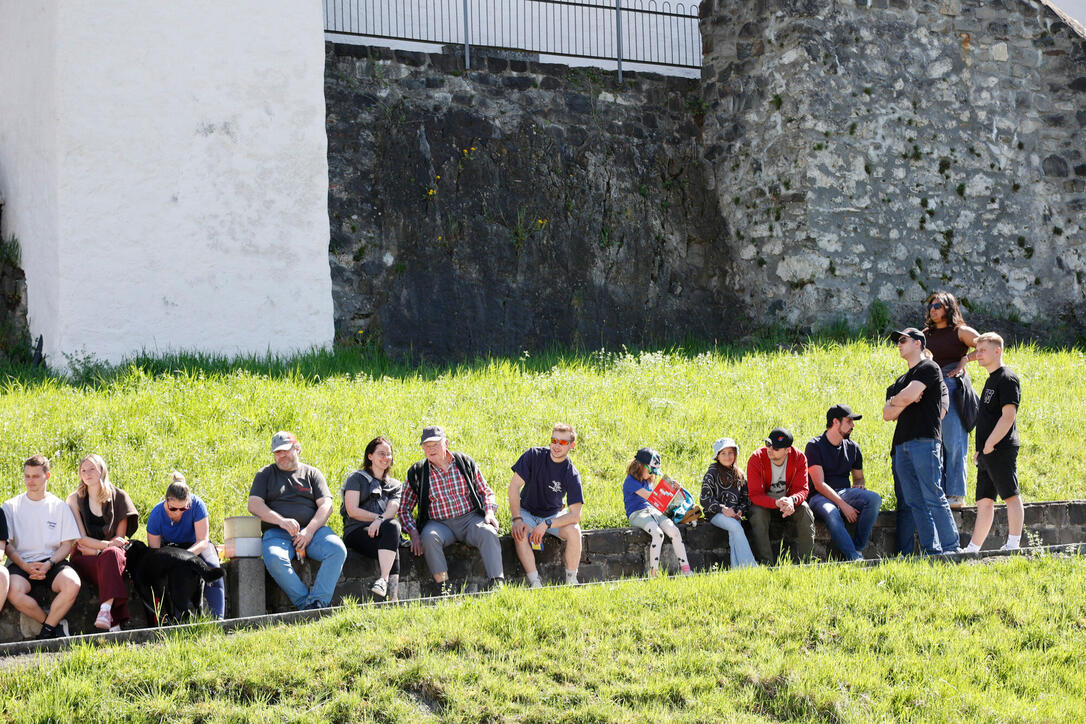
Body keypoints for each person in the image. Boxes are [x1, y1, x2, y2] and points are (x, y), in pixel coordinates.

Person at [248, 431, 347, 610]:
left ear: (298, 449)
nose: (282, 455)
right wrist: (281, 521)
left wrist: (308, 531)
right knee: (275, 558)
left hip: (314, 531)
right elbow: (254, 505)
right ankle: (306, 604)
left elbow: (327, 505)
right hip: (278, 533)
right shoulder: (265, 474)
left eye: (286, 450)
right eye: (277, 452)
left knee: (337, 550)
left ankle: (318, 601)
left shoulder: (312, 473)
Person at [883, 328, 961, 555]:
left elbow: (902, 401)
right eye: (897, 341)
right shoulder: (900, 380)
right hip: (901, 445)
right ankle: (932, 550)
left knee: (933, 496)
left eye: (903, 340)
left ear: (918, 343)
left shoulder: (929, 367)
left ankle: (951, 548)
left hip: (925, 441)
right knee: (915, 502)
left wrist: (900, 401)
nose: (898, 344)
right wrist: (905, 398)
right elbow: (887, 414)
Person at [399, 426, 504, 594]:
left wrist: (490, 512)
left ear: (446, 443)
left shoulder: (464, 462)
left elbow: (486, 491)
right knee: (429, 537)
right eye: (427, 446)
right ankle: (444, 588)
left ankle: (497, 583)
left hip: (470, 519)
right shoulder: (417, 472)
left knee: (488, 531)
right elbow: (403, 508)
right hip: (439, 524)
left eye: (435, 444)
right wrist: (413, 533)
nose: (431, 449)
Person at [3, 454, 82, 639]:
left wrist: (50, 564)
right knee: (13, 592)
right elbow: (8, 546)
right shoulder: (11, 506)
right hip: (21, 563)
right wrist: (24, 565)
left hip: (53, 561)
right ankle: (52, 626)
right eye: (27, 476)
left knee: (73, 583)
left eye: (36, 476)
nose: (30, 481)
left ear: (47, 476)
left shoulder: (59, 506)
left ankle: (46, 632)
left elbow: (66, 546)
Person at [963, 333, 1024, 552]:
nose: (977, 355)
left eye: (982, 351)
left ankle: (1013, 544)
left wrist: (990, 444)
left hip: (1001, 447)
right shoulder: (991, 379)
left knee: (1010, 495)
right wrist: (981, 449)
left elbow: (1008, 416)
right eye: (976, 350)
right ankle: (973, 548)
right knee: (984, 501)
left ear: (997, 351)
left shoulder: (1007, 377)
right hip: (987, 450)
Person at [66, 454, 139, 631]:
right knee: (109, 558)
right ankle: (115, 622)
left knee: (111, 556)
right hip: (84, 557)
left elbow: (119, 541)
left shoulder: (119, 496)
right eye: (83, 470)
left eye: (92, 469)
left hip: (110, 555)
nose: (87, 473)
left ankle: (105, 611)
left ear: (102, 470)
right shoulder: (74, 499)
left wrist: (99, 550)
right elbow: (80, 538)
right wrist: (104, 547)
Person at [923, 291, 981, 508]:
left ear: (948, 307)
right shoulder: (925, 334)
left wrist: (965, 360)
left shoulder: (960, 332)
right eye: (931, 305)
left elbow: (987, 345)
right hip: (930, 390)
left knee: (954, 442)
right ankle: (939, 493)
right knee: (933, 444)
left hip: (953, 389)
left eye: (938, 305)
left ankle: (956, 494)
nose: (933, 309)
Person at [509, 423, 584, 588]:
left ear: (572, 445)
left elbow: (575, 515)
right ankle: (535, 582)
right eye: (554, 440)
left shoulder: (571, 473)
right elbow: (514, 487)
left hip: (551, 515)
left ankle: (571, 580)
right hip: (526, 511)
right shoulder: (533, 455)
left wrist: (547, 523)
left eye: (563, 442)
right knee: (520, 532)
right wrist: (517, 519)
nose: (557, 446)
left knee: (574, 530)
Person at [805, 405, 883, 561]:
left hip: (844, 492)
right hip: (819, 496)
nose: (852, 426)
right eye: (849, 421)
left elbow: (858, 477)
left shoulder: (853, 447)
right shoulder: (814, 446)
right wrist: (844, 506)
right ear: (835, 422)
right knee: (833, 513)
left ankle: (859, 549)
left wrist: (859, 484)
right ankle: (853, 558)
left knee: (874, 499)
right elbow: (819, 484)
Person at [145, 471, 225, 619]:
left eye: (184, 509)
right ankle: (177, 619)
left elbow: (203, 541)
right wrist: (176, 560)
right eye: (173, 508)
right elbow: (155, 552)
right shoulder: (156, 515)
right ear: (166, 501)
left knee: (212, 566)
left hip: (197, 545)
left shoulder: (198, 505)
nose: (178, 513)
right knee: (171, 574)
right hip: (171, 548)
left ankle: (218, 619)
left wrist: (185, 557)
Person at [341, 436, 402, 601]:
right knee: (392, 544)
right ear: (370, 456)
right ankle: (393, 597)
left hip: (381, 530)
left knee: (393, 528)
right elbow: (352, 510)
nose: (386, 458)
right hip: (356, 530)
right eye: (381, 453)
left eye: (388, 454)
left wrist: (380, 520)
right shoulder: (356, 478)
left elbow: (393, 508)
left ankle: (384, 581)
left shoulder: (394, 484)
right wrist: (378, 518)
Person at [746, 428, 814, 564]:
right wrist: (776, 503)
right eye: (768, 444)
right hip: (764, 504)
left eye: (776, 448)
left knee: (805, 511)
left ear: (787, 449)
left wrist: (791, 500)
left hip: (788, 503)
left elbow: (802, 489)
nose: (770, 449)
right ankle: (767, 564)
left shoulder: (799, 458)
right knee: (758, 515)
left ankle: (806, 563)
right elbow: (755, 495)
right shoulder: (756, 458)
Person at [622, 447, 692, 577]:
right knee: (658, 534)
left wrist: (675, 489)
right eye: (650, 471)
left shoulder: (648, 479)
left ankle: (686, 569)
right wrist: (668, 489)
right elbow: (652, 497)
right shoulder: (630, 481)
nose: (652, 475)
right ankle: (653, 572)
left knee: (674, 531)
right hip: (637, 513)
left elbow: (657, 502)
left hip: (652, 511)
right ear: (639, 466)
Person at [699, 437, 756, 569]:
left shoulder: (740, 474)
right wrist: (723, 509)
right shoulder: (711, 473)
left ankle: (737, 568)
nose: (727, 456)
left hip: (734, 514)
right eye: (723, 453)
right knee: (736, 527)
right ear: (717, 456)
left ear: (735, 454)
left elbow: (745, 498)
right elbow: (705, 499)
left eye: (730, 452)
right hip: (716, 514)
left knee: (733, 532)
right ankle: (750, 566)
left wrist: (741, 510)